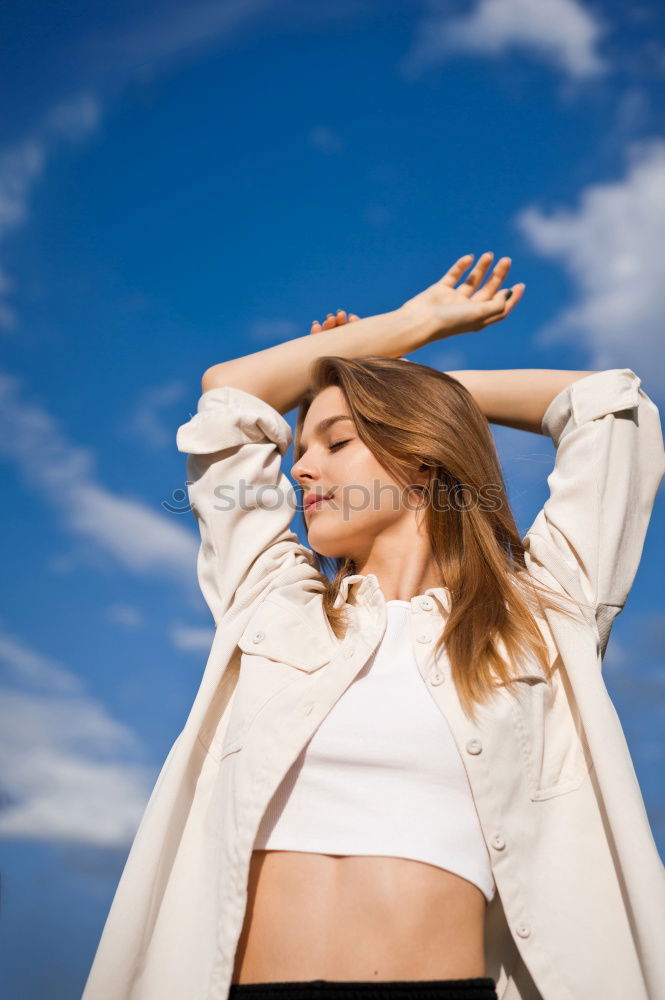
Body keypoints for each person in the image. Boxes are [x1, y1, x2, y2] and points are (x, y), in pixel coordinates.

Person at [81, 253, 665, 1000]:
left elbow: (608, 408)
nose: (300, 471)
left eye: (335, 442)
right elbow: (229, 396)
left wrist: (403, 385)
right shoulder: (273, 602)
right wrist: (403, 331)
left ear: (420, 457)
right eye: (298, 451)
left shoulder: (540, 613)